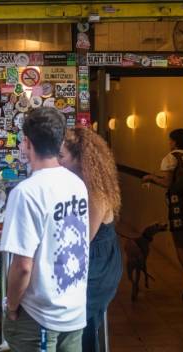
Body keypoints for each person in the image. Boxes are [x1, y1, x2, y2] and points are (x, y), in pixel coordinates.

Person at [0, 108, 89, 352]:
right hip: (74, 311)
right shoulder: (77, 184)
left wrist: (12, 306)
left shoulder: (26, 193)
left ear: (26, 143)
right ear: (60, 142)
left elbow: (22, 266)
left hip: (39, 317)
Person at [60, 127, 122, 352]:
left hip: (98, 265)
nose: (58, 162)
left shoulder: (95, 191)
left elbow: (83, 238)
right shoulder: (75, 183)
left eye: (62, 156)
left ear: (79, 158)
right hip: (86, 262)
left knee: (77, 320)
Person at [141, 128, 183, 303]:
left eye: (170, 140)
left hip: (178, 209)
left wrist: (150, 177)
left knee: (180, 245)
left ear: (174, 142)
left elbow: (167, 182)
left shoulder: (171, 158)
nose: (169, 143)